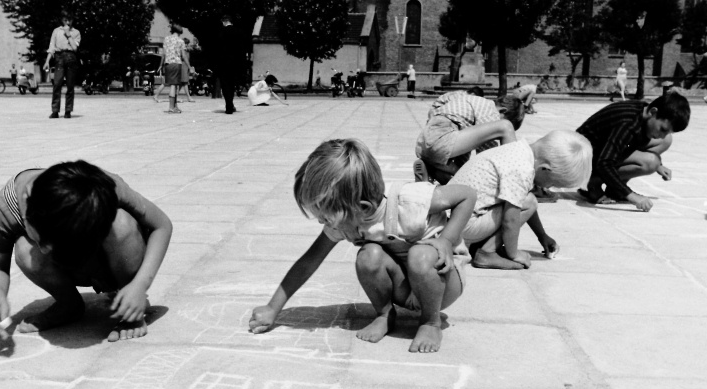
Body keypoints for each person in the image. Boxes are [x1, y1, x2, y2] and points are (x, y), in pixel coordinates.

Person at [249, 139, 477, 353]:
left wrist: (446, 240)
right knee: (369, 255)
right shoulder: (347, 217)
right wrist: (273, 308)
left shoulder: (411, 201)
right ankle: (385, 314)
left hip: (443, 283)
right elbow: (309, 261)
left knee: (421, 255)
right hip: (405, 284)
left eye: (326, 217)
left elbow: (467, 195)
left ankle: (430, 322)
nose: (322, 222)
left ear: (364, 208)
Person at [0, 160, 173, 342]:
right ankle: (69, 305)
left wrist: (139, 286)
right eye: (41, 239)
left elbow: (162, 225)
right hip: (72, 264)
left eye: (50, 242)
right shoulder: (8, 206)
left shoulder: (101, 188)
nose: (43, 249)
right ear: (27, 203)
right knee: (25, 250)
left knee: (121, 223)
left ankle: (126, 300)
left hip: (108, 261)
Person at [452, 130, 592, 270]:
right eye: (553, 183)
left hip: (456, 221)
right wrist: (513, 254)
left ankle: (483, 245)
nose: (550, 187)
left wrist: (541, 235)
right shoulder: (522, 169)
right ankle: (487, 253)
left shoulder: (518, 152)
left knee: (528, 201)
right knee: (529, 201)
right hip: (463, 225)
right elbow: (511, 220)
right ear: (545, 169)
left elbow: (520, 205)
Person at [576, 92, 691, 212]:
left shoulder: (643, 111)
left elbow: (636, 138)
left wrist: (659, 166)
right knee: (650, 162)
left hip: (600, 151)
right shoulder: (628, 123)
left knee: (666, 141)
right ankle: (593, 184)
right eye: (662, 129)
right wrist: (632, 196)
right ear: (653, 112)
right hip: (581, 160)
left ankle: (614, 189)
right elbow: (604, 163)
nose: (661, 135)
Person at [414, 91, 526, 184]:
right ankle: (512, 178)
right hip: (442, 138)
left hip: (424, 141)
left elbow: (440, 100)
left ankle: (431, 169)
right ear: (502, 111)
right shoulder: (489, 109)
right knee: (505, 127)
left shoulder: (466, 98)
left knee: (458, 180)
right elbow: (487, 150)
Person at [44, 13, 81, 119]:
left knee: (70, 86)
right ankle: (55, 110)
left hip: (71, 57)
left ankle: (68, 110)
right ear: (62, 20)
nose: (68, 23)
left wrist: (68, 34)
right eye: (65, 20)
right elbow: (51, 47)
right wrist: (47, 61)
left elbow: (74, 48)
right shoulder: (56, 31)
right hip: (59, 57)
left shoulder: (76, 32)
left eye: (70, 20)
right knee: (57, 84)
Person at [216, 15, 242, 114]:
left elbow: (217, 50)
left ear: (225, 21)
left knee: (225, 84)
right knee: (232, 84)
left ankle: (229, 105)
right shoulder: (238, 32)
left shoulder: (221, 32)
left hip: (223, 63)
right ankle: (231, 104)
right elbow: (241, 49)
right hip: (235, 63)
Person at [159, 24, 186, 113]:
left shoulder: (166, 39)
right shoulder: (180, 41)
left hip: (168, 63)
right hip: (176, 63)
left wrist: (160, 64)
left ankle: (175, 106)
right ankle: (171, 107)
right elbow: (184, 55)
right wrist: (189, 66)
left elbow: (164, 53)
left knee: (174, 85)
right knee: (174, 86)